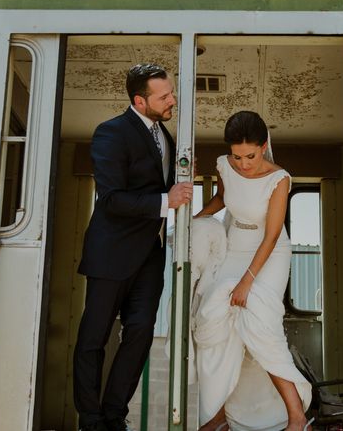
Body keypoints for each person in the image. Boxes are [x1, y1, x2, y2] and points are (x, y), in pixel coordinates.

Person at [73, 63, 194, 431]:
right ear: (140, 101)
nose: (173, 99)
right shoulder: (110, 133)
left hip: (150, 256)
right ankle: (91, 421)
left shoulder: (167, 137)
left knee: (140, 333)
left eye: (171, 92)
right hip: (111, 253)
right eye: (164, 96)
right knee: (94, 338)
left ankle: (114, 416)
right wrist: (165, 201)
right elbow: (110, 199)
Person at [191, 110, 312, 431]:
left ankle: (296, 416)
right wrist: (194, 223)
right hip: (234, 245)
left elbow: (272, 236)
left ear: (264, 146)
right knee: (216, 321)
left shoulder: (279, 179)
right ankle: (219, 414)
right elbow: (221, 199)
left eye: (251, 156)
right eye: (237, 156)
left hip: (269, 254)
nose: (243, 164)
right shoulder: (224, 165)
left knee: (259, 325)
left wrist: (247, 282)